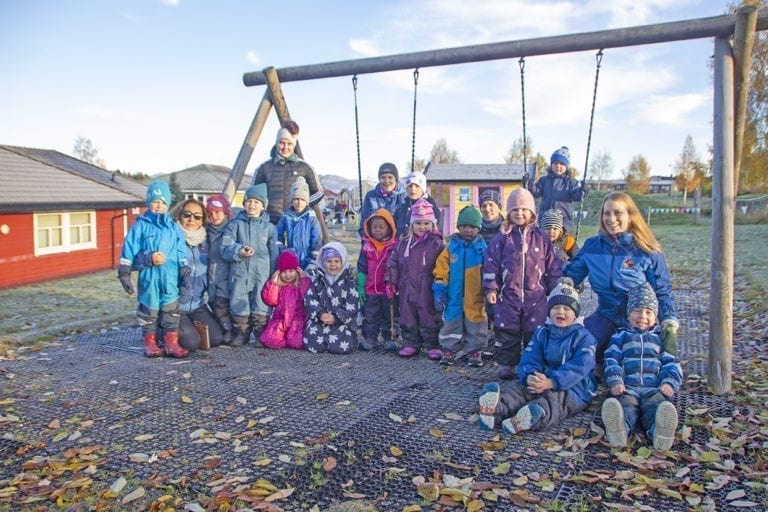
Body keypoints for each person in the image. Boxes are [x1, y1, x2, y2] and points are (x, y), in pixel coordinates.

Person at [564, 191, 679, 359]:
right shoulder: (592, 247)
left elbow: (662, 291)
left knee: (639, 362)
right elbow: (568, 278)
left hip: (639, 321)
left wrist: (668, 322)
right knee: (578, 348)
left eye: (618, 213)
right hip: (606, 315)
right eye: (606, 213)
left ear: (630, 216)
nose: (611, 219)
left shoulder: (647, 251)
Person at [477, 278, 597, 434]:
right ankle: (496, 409)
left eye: (567, 308)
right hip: (542, 378)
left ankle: (533, 416)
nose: (561, 312)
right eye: (556, 307)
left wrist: (553, 381)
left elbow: (579, 368)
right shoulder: (542, 333)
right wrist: (530, 376)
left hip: (574, 386)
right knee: (519, 389)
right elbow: (530, 357)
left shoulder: (584, 338)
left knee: (557, 401)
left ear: (575, 313)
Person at [483, 188, 562, 379]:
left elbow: (553, 264)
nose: (519, 214)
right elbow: (490, 263)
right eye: (515, 210)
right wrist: (491, 287)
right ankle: (507, 364)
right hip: (508, 295)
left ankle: (532, 364)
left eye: (524, 210)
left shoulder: (541, 238)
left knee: (534, 333)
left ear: (532, 213)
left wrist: (557, 287)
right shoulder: (503, 238)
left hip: (536, 296)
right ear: (509, 212)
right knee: (507, 331)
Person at [601, 283, 682, 451]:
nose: (642, 316)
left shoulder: (660, 338)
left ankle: (659, 432)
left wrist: (668, 382)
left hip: (654, 387)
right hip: (627, 387)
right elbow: (611, 358)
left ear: (656, 316)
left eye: (648, 312)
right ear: (629, 315)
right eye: (637, 311)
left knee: (656, 407)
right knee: (625, 406)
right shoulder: (621, 336)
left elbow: (671, 362)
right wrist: (615, 380)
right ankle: (621, 430)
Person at [117, 181, 190, 358]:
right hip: (149, 278)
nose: (159, 206)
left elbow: (181, 251)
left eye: (163, 202)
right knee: (148, 311)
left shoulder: (174, 228)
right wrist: (125, 272)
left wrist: (184, 272)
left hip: (170, 277)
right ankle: (149, 343)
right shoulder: (140, 226)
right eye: (155, 201)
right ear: (148, 202)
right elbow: (129, 250)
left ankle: (171, 343)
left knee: (171, 310)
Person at [386, 198, 445, 359]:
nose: (422, 227)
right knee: (407, 314)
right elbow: (393, 262)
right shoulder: (403, 243)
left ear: (432, 224)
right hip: (406, 287)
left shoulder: (437, 244)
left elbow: (443, 265)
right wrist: (391, 281)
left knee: (429, 314)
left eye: (426, 223)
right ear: (412, 224)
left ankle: (432, 344)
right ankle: (410, 343)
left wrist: (441, 284)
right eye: (418, 223)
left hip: (427, 287)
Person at [221, 184, 279, 347]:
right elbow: (224, 248)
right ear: (244, 203)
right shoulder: (234, 225)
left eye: (256, 202)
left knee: (261, 302)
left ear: (263, 205)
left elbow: (274, 252)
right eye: (249, 201)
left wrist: (274, 274)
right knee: (239, 300)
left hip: (261, 273)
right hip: (239, 273)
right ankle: (242, 332)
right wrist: (239, 250)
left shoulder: (269, 228)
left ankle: (261, 332)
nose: (252, 205)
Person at [433, 205, 487, 367]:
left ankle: (475, 350)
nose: (468, 230)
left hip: (476, 295)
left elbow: (490, 270)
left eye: (472, 227)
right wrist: (440, 286)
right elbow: (441, 268)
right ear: (458, 227)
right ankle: (449, 348)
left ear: (478, 228)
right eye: (464, 226)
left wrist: (489, 289)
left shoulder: (482, 250)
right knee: (451, 321)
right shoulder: (451, 248)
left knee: (476, 322)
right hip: (453, 294)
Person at [175, 199, 225, 352]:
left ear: (202, 220)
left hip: (196, 304)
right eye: (187, 215)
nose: (191, 220)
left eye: (197, 216)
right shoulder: (172, 239)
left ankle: (189, 325)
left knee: (216, 338)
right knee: (192, 343)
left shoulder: (205, 242)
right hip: (175, 305)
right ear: (179, 216)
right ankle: (162, 329)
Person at [251, 121, 324, 225]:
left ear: (294, 145)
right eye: (282, 143)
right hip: (270, 223)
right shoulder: (263, 168)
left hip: (297, 222)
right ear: (276, 143)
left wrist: (302, 204)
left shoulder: (305, 167)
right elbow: (254, 194)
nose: (285, 147)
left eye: (289, 144)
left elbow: (319, 192)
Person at [304, 242, 359, 354]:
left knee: (340, 347)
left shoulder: (348, 282)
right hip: (320, 321)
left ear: (342, 262)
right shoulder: (318, 280)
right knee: (314, 345)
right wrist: (320, 314)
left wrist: (337, 317)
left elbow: (352, 303)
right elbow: (310, 298)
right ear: (323, 262)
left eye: (336, 261)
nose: (333, 265)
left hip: (340, 323)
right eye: (329, 261)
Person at [357, 208, 399, 351]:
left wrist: (395, 284)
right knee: (370, 315)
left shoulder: (394, 247)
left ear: (389, 228)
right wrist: (361, 286)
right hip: (371, 289)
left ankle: (390, 338)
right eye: (374, 227)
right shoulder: (366, 246)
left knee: (391, 315)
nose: (378, 230)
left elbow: (398, 267)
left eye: (381, 227)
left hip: (388, 290)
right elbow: (362, 267)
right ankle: (370, 338)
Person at [526, 146, 587, 232]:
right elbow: (536, 192)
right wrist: (529, 184)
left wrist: (583, 190)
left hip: (563, 223)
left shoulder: (571, 183)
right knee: (544, 244)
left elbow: (576, 196)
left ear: (567, 166)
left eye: (562, 164)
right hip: (545, 221)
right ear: (551, 165)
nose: (558, 166)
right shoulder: (544, 180)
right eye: (555, 163)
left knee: (562, 244)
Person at [260, 250, 312, 350]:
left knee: (296, 343)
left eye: (291, 271)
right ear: (279, 272)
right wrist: (273, 284)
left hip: (297, 320)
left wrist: (304, 280)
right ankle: (283, 338)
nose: (288, 275)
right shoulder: (279, 286)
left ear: (297, 271)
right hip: (281, 319)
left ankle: (289, 338)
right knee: (271, 341)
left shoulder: (300, 284)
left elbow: (306, 298)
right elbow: (271, 301)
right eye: (284, 272)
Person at [276, 176, 322, 269]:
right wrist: (284, 251)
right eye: (296, 199)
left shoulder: (311, 217)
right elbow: (278, 235)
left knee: (306, 280)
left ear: (307, 201)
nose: (299, 202)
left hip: (307, 257)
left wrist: (313, 258)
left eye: (302, 199)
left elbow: (316, 238)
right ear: (292, 200)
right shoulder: (286, 217)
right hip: (291, 257)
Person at [206, 194, 234, 344]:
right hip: (211, 275)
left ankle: (229, 329)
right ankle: (222, 328)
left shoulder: (230, 230)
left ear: (226, 213)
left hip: (225, 274)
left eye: (218, 212)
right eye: (211, 213)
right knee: (212, 302)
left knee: (222, 305)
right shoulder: (207, 232)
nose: (215, 216)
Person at [358, 162, 406, 237]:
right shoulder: (371, 196)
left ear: (396, 178)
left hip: (397, 242)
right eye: (383, 177)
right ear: (379, 179)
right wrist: (368, 243)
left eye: (390, 177)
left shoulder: (405, 197)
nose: (387, 181)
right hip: (375, 242)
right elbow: (364, 224)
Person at [392, 171, 442, 237]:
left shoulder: (431, 207)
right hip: (402, 245)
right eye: (410, 186)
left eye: (417, 186)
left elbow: (438, 230)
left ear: (423, 188)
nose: (413, 189)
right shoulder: (400, 209)